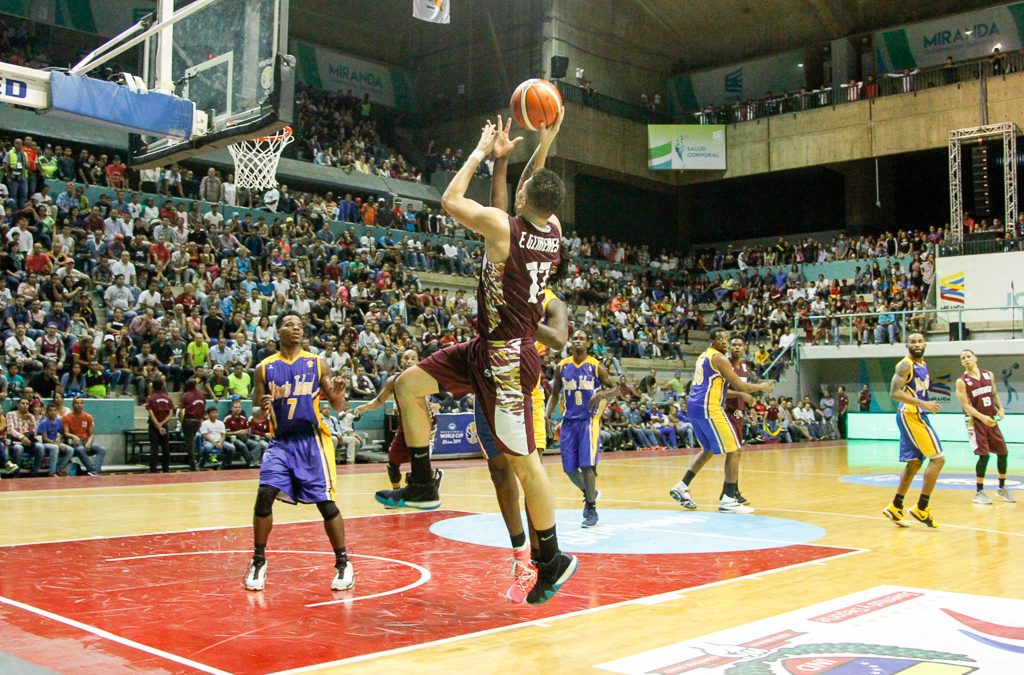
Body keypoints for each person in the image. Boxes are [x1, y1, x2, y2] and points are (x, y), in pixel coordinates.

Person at [375, 111, 578, 605]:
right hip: (482, 349)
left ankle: (552, 558)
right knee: (409, 385)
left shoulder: (502, 228)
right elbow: (535, 186)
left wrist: (483, 151)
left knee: (524, 464)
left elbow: (449, 199)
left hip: (507, 361)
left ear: (524, 199)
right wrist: (541, 143)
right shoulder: (551, 230)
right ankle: (424, 482)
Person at [243, 313, 351, 592]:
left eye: (300, 326)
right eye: (290, 324)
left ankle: (343, 563)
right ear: (278, 330)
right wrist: (261, 411)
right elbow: (255, 413)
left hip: (312, 441)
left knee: (325, 504)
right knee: (264, 496)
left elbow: (338, 406)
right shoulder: (264, 368)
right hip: (280, 441)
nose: (296, 329)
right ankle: (258, 560)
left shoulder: (317, 363)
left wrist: (338, 397)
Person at [669, 329, 774, 514]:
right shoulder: (719, 358)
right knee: (735, 450)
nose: (725, 342)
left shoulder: (705, 356)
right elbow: (740, 385)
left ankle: (682, 485)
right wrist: (762, 387)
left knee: (709, 449)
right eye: (721, 338)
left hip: (695, 406)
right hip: (708, 407)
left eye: (727, 338)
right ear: (711, 341)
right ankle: (728, 499)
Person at [546, 330, 618, 528]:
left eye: (581, 339)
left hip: (588, 421)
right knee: (569, 469)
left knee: (586, 466)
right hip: (568, 422)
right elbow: (554, 393)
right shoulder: (562, 366)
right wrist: (547, 414)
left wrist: (601, 394)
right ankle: (590, 492)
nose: (577, 341)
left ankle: (591, 508)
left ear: (588, 343)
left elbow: (615, 388)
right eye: (575, 338)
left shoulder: (596, 366)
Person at [883, 333, 944, 528]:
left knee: (915, 463)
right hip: (911, 414)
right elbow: (894, 393)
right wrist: (922, 403)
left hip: (915, 414)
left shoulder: (922, 364)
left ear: (924, 344)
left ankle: (895, 506)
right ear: (907, 345)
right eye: (913, 342)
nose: (917, 344)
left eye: (920, 341)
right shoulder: (905, 364)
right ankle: (921, 508)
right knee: (938, 459)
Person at [956, 349, 1014, 505]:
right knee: (984, 455)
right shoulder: (962, 381)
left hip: (990, 419)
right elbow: (966, 406)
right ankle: (979, 491)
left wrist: (1000, 409)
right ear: (961, 362)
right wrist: (982, 418)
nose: (966, 359)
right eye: (963, 358)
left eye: (968, 356)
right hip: (975, 421)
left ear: (976, 358)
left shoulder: (988, 374)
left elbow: (994, 394)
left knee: (1003, 452)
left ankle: (1001, 487)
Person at [62, 396, 106, 475]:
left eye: (81, 403)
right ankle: (94, 471)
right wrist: (73, 436)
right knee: (80, 449)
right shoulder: (66, 418)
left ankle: (94, 471)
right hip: (74, 443)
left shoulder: (88, 417)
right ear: (73, 405)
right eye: (77, 403)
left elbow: (91, 434)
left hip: (86, 441)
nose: (79, 405)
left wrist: (89, 442)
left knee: (102, 449)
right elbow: (66, 433)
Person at [145, 379, 176, 473]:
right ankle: (166, 468)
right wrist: (162, 424)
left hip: (153, 426)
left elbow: (151, 413)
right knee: (165, 447)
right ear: (163, 386)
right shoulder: (168, 398)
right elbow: (171, 414)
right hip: (164, 426)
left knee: (154, 448)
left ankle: (153, 469)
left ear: (153, 387)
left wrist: (158, 425)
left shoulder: (151, 398)